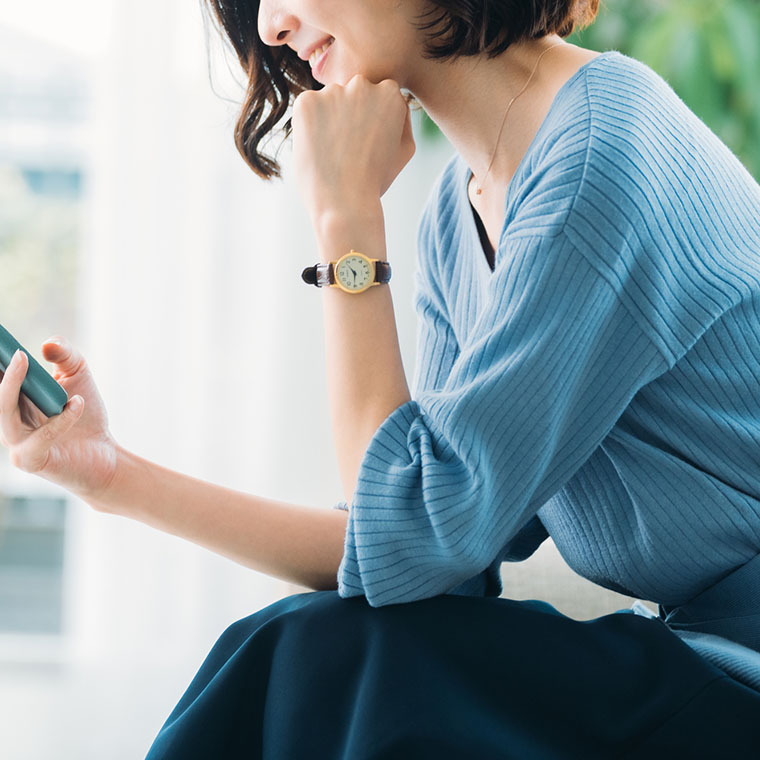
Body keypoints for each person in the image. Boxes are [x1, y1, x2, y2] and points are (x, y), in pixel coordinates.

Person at [2, 0, 760, 756]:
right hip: (697, 666)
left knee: (322, 653)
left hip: (739, 678)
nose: (269, 26)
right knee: (310, 643)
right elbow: (400, 551)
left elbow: (407, 535)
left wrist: (347, 224)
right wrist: (108, 474)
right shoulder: (458, 217)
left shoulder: (600, 163)